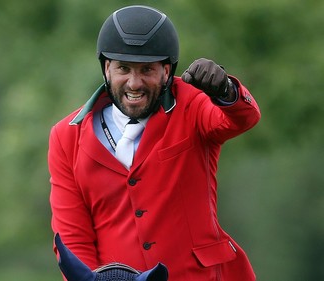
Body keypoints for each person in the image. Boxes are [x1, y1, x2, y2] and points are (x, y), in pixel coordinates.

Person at [48, 5, 260, 281]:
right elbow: (73, 239)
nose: (134, 83)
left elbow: (241, 120)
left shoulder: (192, 102)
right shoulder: (66, 136)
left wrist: (226, 90)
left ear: (166, 70)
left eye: (147, 69)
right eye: (124, 68)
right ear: (107, 68)